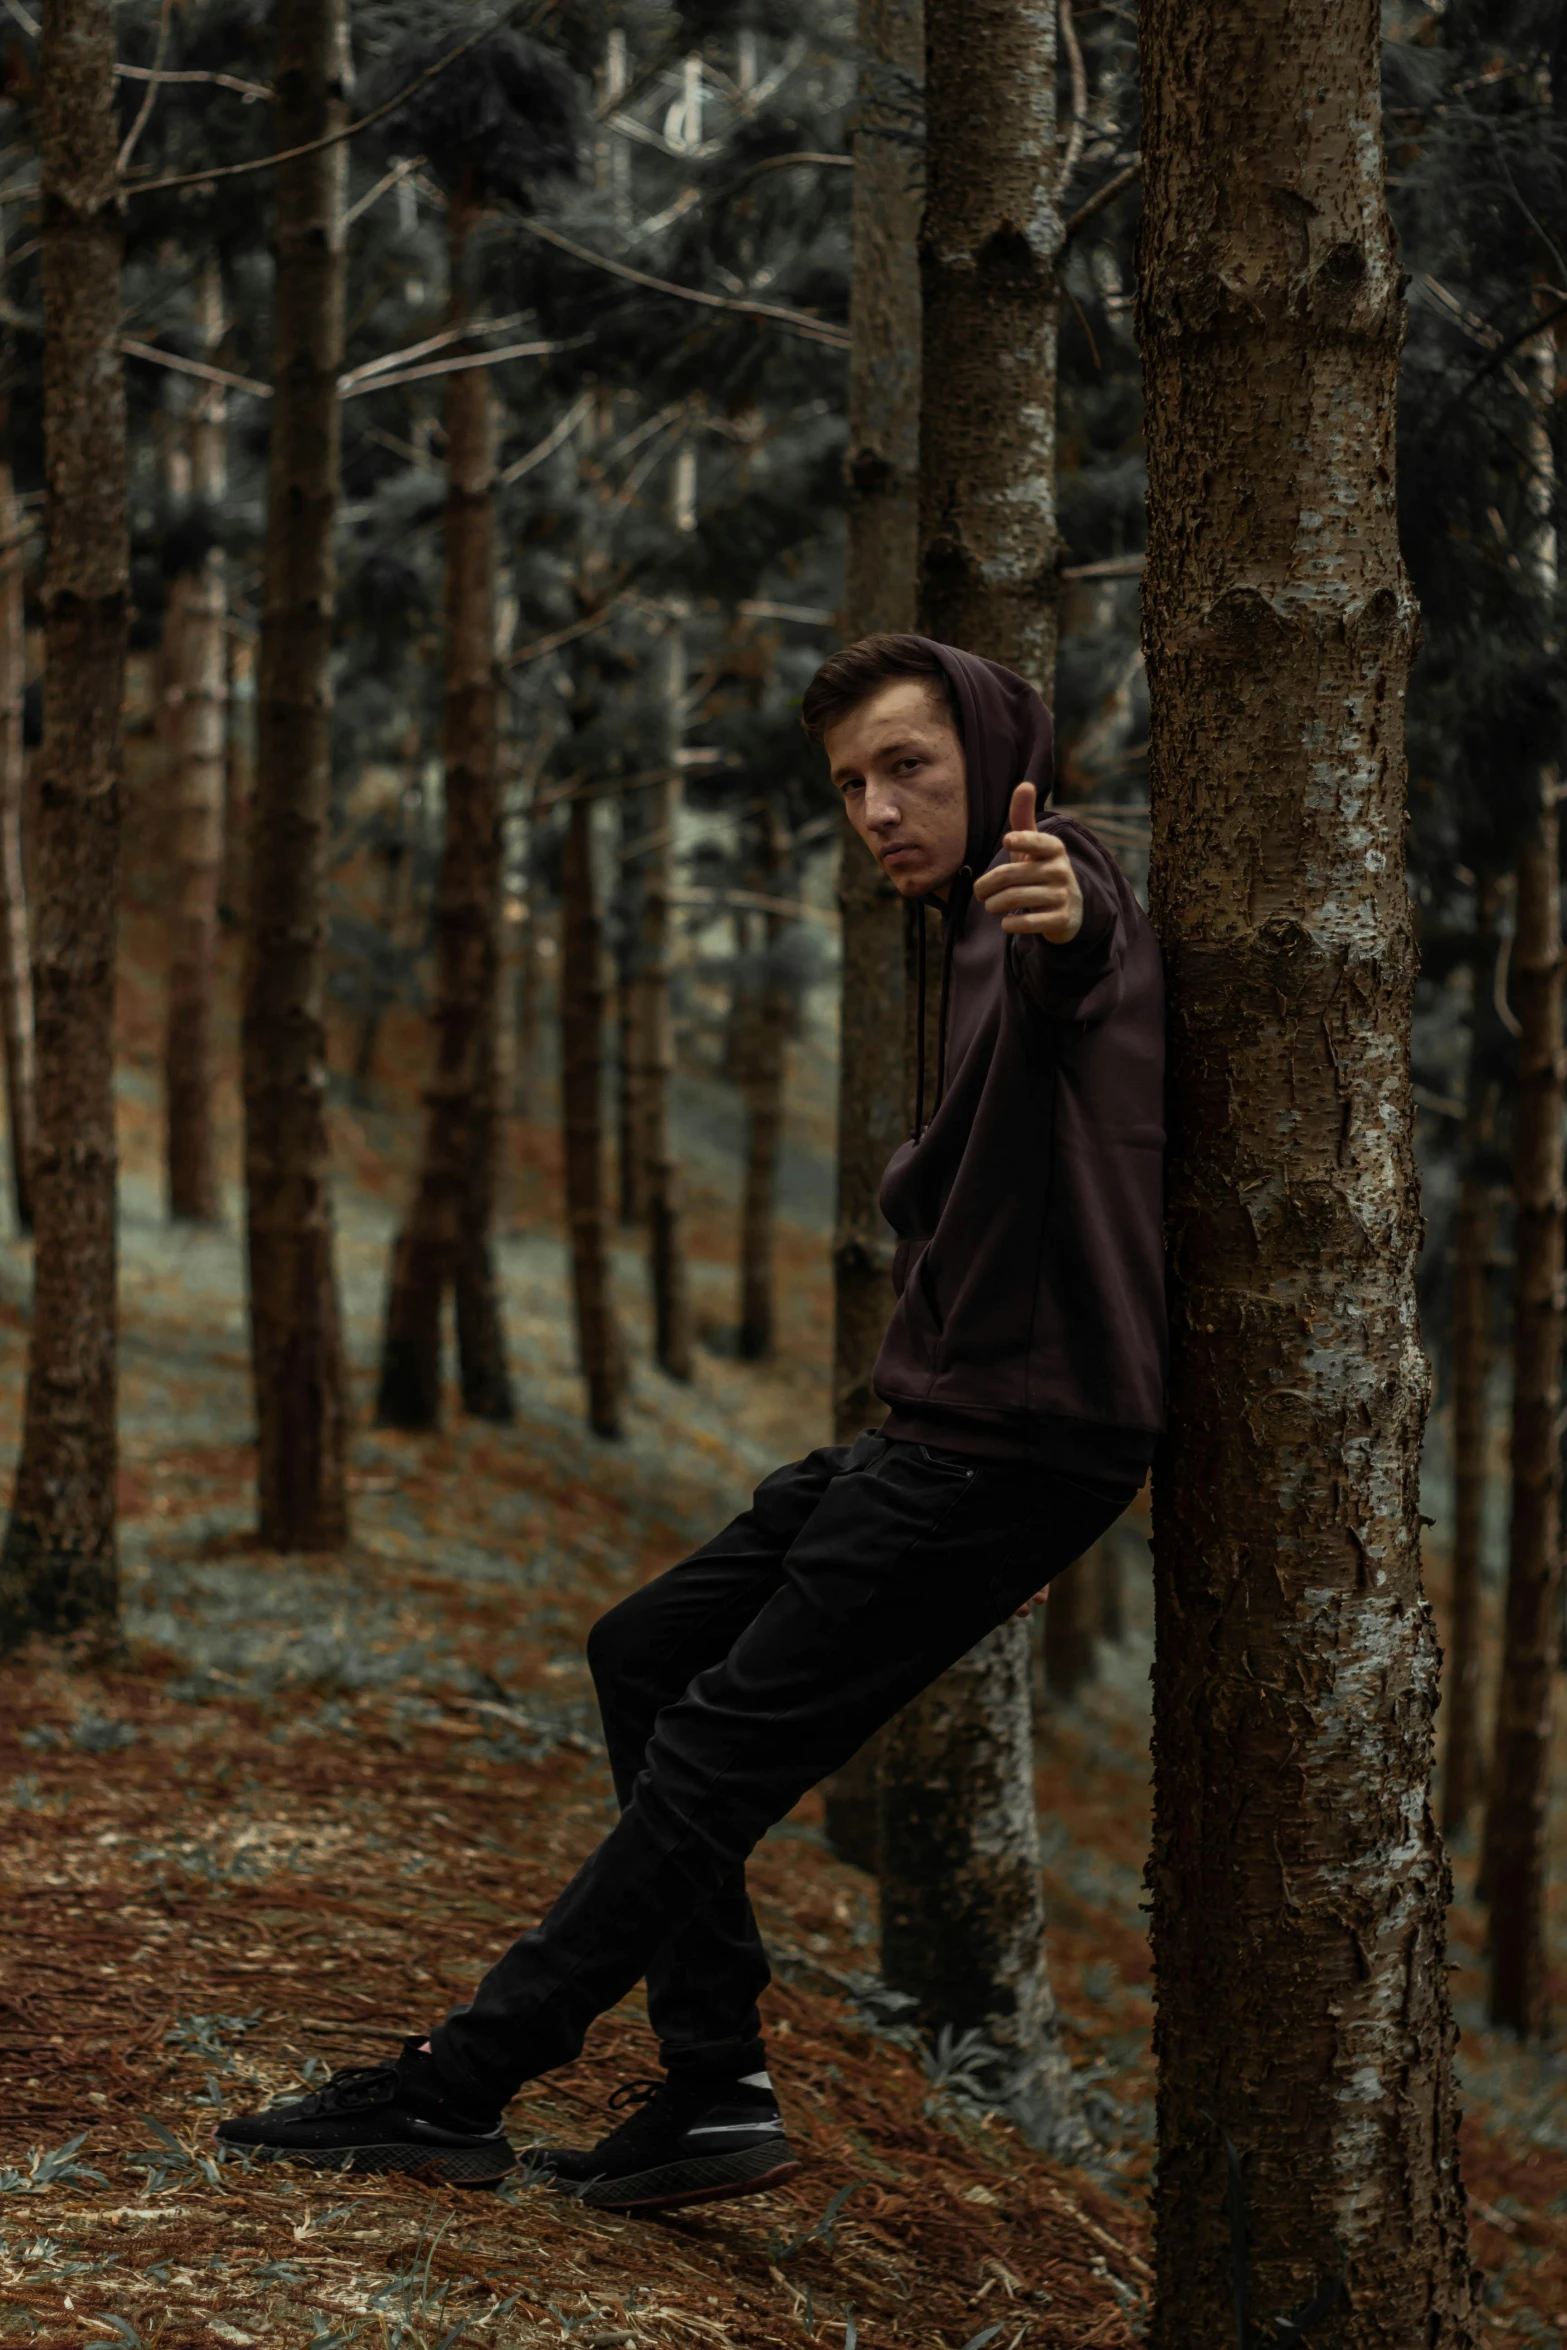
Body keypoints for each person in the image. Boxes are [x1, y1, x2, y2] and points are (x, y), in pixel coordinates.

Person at [215, 634, 1167, 2212]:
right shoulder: (963, 930)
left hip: (1001, 1443)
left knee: (712, 1757)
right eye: (851, 783)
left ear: (999, 762)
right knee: (642, 1650)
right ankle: (712, 2081)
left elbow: (1086, 956)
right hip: (945, 1428)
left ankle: (458, 2084)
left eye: (906, 766)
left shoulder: (1049, 880)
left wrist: (1059, 912)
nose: (874, 807)